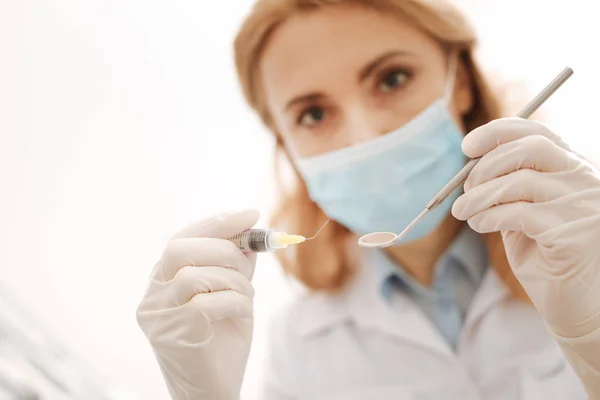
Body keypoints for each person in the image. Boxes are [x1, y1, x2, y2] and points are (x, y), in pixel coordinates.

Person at [135, 0, 600, 398]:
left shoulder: (584, 249)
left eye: (393, 79)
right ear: (286, 144)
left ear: (460, 82)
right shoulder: (299, 348)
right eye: (313, 114)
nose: (365, 136)